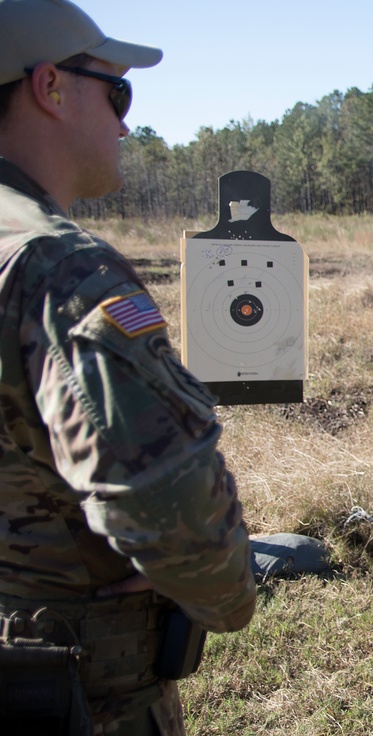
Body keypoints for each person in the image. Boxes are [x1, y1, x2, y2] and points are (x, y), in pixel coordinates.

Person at [0, 1, 256, 734]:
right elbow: (165, 502)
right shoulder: (58, 269)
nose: (125, 123)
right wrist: (229, 596)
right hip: (66, 691)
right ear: (49, 87)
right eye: (117, 93)